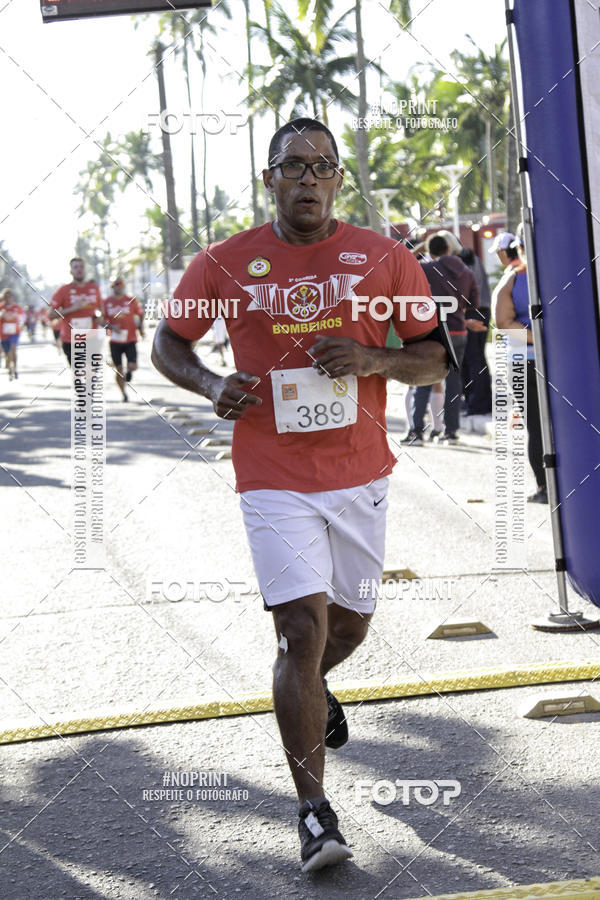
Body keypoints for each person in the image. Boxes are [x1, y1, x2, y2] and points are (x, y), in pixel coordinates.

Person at [152, 117, 452, 873]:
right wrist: (212, 383)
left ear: (340, 181)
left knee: (346, 629)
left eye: (324, 166)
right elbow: (169, 343)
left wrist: (370, 357)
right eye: (294, 166)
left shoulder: (384, 258)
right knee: (299, 631)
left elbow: (433, 361)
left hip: (359, 474)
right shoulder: (223, 263)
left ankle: (311, 694)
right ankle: (314, 813)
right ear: (270, 179)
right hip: (272, 475)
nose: (309, 178)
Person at [410, 233, 480, 444]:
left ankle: (417, 432)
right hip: (458, 332)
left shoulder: (425, 269)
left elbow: (403, 267)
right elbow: (474, 303)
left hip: (433, 332)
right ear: (449, 249)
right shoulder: (467, 272)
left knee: (424, 379)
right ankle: (451, 432)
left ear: (429, 251)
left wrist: (417, 252)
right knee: (454, 381)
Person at [494, 234, 547, 503]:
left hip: (551, 361)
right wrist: (543, 337)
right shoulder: (514, 278)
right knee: (538, 426)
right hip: (527, 362)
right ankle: (545, 486)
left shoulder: (557, 271)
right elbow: (504, 322)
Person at [459, 247, 492, 422]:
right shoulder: (471, 257)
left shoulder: (461, 261)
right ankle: (478, 400)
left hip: (471, 312)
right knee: (476, 357)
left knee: (473, 358)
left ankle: (478, 402)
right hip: (481, 310)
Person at [50, 257, 103, 366]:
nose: (79, 269)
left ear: (85, 269)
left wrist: (100, 316)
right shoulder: (63, 290)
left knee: (91, 376)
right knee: (80, 376)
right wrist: (72, 308)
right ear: (71, 271)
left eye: (81, 266)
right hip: (71, 340)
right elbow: (51, 315)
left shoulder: (94, 288)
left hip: (92, 337)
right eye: (75, 267)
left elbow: (101, 308)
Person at [102, 277, 145, 402]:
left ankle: (129, 372)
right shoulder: (106, 302)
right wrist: (110, 327)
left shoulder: (130, 300)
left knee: (133, 365)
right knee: (119, 369)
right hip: (115, 341)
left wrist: (140, 328)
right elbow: (101, 320)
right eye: (115, 284)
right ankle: (123, 393)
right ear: (112, 287)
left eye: (120, 284)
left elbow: (140, 313)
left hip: (130, 338)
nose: (118, 286)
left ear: (123, 286)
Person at [0, 289, 24, 380]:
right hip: (4, 334)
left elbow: (22, 319)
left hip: (15, 333)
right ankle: (10, 368)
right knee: (8, 353)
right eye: (5, 297)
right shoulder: (1, 307)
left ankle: (15, 368)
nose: (7, 298)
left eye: (9, 296)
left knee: (13, 350)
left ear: (12, 297)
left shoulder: (17, 307)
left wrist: (21, 324)